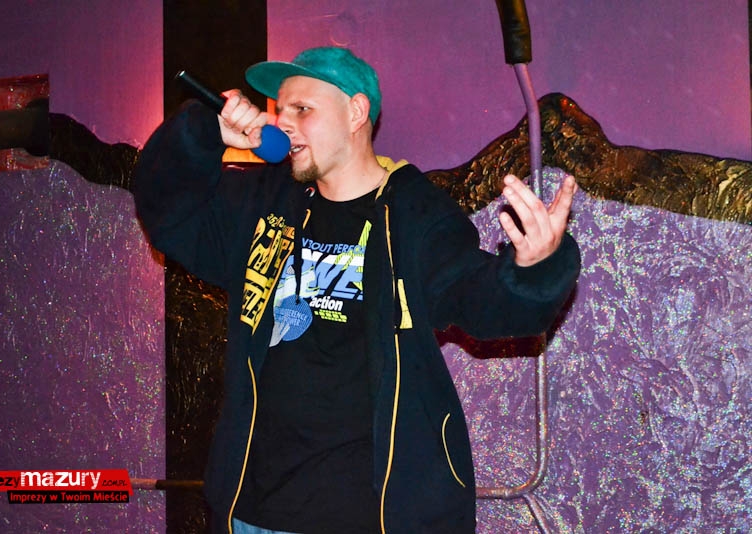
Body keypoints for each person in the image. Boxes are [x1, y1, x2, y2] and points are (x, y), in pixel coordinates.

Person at [133, 46, 580, 534]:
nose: (283, 122)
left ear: (356, 112)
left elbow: (487, 302)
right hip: (250, 512)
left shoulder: (413, 216)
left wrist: (536, 267)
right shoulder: (264, 202)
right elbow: (170, 216)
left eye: (302, 109)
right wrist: (201, 132)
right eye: (280, 110)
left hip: (369, 517)